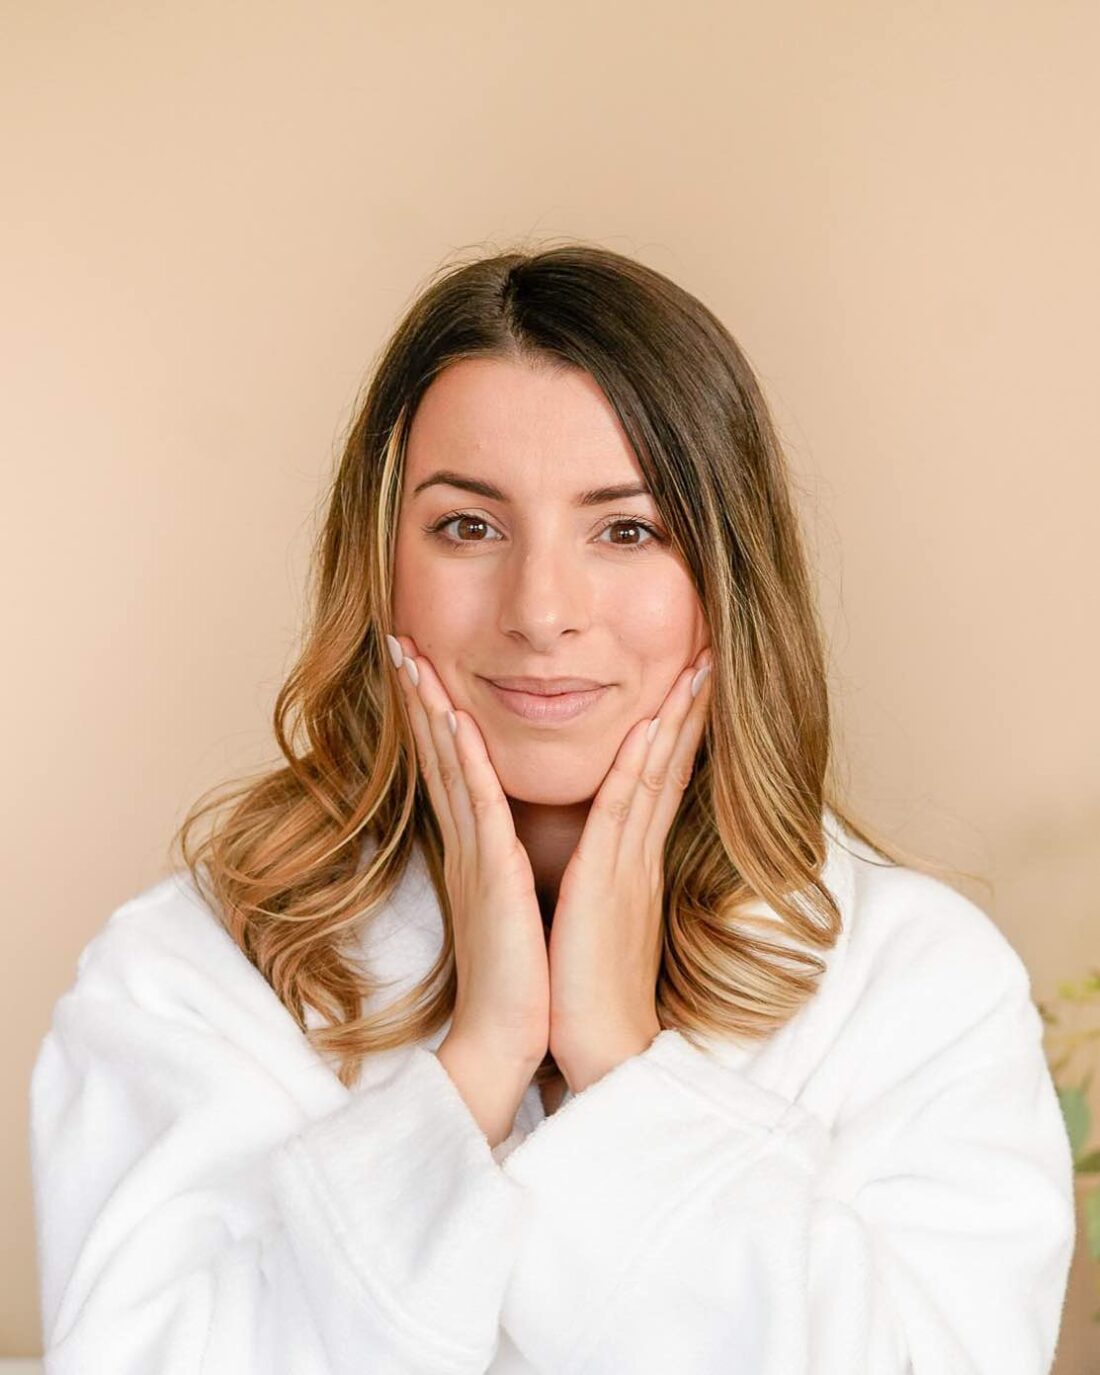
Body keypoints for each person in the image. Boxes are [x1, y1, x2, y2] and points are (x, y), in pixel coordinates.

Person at [30, 243, 1075, 1373]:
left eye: (625, 530)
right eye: (468, 526)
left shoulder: (917, 984)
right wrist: (475, 1063)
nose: (539, 610)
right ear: (378, 565)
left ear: (724, 580)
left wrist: (621, 1066)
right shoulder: (190, 970)